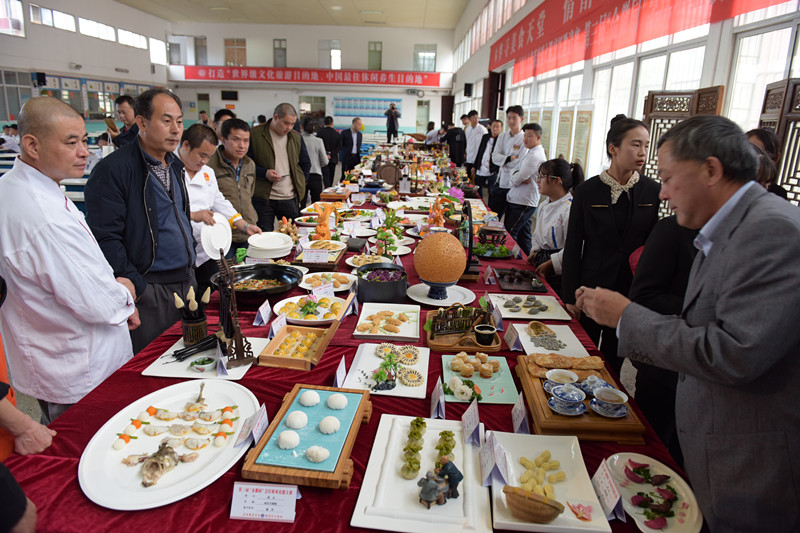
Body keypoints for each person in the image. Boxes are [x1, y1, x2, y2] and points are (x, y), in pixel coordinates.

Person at [575, 115, 800, 532]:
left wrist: (627, 317)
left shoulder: (771, 231)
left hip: (752, 462)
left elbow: (732, 353)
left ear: (711, 170)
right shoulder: (727, 228)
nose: (662, 192)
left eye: (668, 177)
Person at [0, 96, 139, 423]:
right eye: (71, 142)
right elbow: (97, 304)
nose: (84, 151)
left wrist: (118, 303)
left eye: (85, 141)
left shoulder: (16, 187)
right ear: (32, 145)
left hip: (57, 352)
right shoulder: (42, 217)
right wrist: (125, 294)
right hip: (80, 366)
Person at [86, 88, 195, 355]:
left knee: (190, 358)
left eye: (179, 121)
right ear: (142, 122)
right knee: (155, 364)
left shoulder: (175, 165)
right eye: (166, 121)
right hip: (150, 289)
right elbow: (105, 237)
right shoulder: (114, 170)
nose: (176, 129)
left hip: (186, 281)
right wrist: (135, 283)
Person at [561, 114, 660, 376]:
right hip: (590, 286)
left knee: (616, 360)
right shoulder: (587, 191)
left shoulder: (653, 191)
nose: (643, 152)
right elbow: (573, 246)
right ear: (613, 149)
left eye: (646, 145)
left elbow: (651, 248)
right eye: (635, 144)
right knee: (582, 354)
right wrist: (570, 295)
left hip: (629, 292)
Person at [626, 215, 697, 466]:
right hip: (663, 367)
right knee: (649, 451)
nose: (664, 193)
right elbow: (644, 295)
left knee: (687, 461)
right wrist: (709, 312)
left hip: (707, 382)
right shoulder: (672, 228)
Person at [180, 123, 260, 293]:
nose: (204, 161)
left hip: (208, 247)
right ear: (185, 146)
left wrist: (244, 225)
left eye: (208, 157)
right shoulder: (171, 171)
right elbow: (164, 211)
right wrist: (193, 215)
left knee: (211, 291)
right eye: (201, 155)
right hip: (180, 249)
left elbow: (219, 201)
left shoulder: (207, 172)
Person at [525, 158, 584, 295]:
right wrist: (535, 250)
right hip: (542, 260)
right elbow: (536, 234)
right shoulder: (544, 204)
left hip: (558, 269)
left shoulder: (569, 209)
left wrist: (551, 263)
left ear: (557, 180)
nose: (537, 181)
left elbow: (575, 247)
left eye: (541, 177)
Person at [250, 103, 307, 231]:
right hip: (264, 197)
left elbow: (305, 163)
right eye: (286, 123)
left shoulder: (296, 137)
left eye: (292, 124)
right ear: (275, 117)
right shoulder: (255, 135)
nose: (289, 127)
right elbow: (247, 164)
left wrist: (301, 182)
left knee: (292, 234)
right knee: (264, 235)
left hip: (289, 196)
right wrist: (264, 173)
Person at [505, 123, 546, 255]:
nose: (525, 139)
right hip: (518, 198)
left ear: (538, 137)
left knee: (510, 233)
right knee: (524, 235)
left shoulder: (536, 156)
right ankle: (528, 261)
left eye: (529, 136)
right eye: (525, 136)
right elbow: (515, 172)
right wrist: (517, 176)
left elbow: (518, 177)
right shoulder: (529, 151)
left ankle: (509, 261)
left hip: (523, 201)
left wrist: (517, 177)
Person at [491, 105, 525, 218]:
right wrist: (510, 158)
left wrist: (504, 160)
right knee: (493, 215)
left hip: (515, 185)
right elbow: (495, 157)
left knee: (510, 219)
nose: (511, 121)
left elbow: (520, 162)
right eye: (509, 117)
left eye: (514, 118)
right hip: (501, 181)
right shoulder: (502, 136)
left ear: (521, 119)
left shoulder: (524, 138)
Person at [746, 127, 788, 199]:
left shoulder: (778, 194)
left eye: (766, 154)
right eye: (753, 151)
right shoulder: (729, 186)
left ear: (776, 158)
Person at [300, 117, 329, 205]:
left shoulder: (296, 140)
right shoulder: (318, 141)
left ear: (301, 126)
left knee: (301, 203)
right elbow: (325, 161)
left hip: (300, 175)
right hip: (315, 175)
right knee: (316, 204)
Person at [473, 119, 502, 202]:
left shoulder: (501, 139)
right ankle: (479, 204)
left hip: (493, 170)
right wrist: (475, 166)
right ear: (490, 127)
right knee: (478, 189)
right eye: (493, 126)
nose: (495, 129)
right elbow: (480, 151)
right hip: (481, 167)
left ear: (501, 128)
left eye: (497, 127)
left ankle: (489, 209)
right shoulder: (485, 136)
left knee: (492, 191)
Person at [317, 116, 341, 188]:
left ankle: (326, 188)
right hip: (333, 158)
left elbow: (318, 146)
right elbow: (339, 146)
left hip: (322, 157)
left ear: (324, 123)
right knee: (331, 174)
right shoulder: (337, 134)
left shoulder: (320, 133)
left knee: (325, 175)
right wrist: (332, 153)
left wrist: (326, 153)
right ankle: (330, 188)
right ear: (332, 123)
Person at [464, 110, 487, 177]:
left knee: (476, 179)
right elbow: (467, 143)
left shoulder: (482, 129)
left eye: (477, 117)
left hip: (478, 158)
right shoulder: (468, 129)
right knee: (469, 177)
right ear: (469, 119)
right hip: (469, 157)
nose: (476, 119)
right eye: (474, 117)